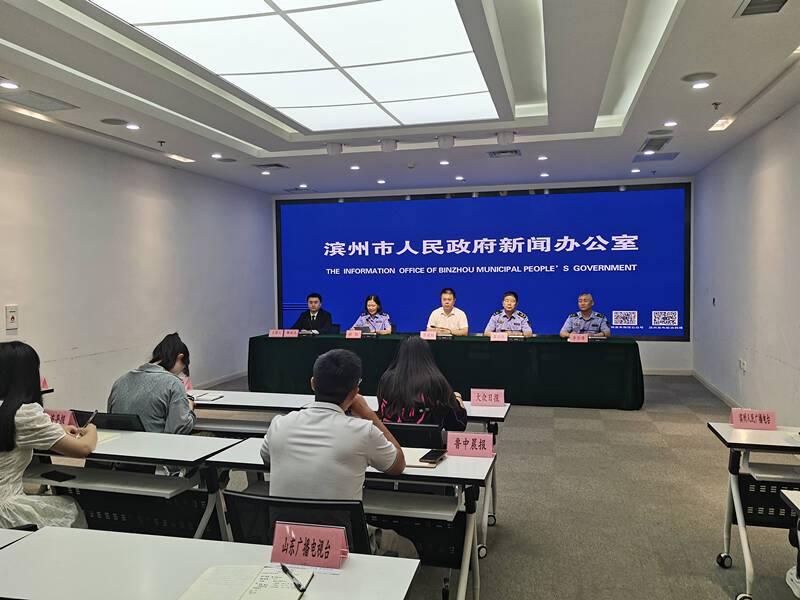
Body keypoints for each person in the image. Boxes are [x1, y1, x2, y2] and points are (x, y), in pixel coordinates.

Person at [260, 349, 417, 558]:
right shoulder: (363, 432)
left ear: (313, 383)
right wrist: (368, 414)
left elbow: (267, 458)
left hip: (286, 543)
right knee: (407, 548)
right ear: (355, 392)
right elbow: (398, 464)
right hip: (339, 548)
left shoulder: (279, 424)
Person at [0, 341, 98, 528]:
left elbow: (13, 431)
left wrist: (56, 429)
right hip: (6, 510)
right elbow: (83, 448)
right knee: (70, 509)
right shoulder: (23, 414)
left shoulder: (12, 415)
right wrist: (92, 428)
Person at [107, 332, 196, 433]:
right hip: (155, 442)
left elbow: (111, 419)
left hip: (120, 442)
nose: (179, 373)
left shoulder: (120, 381)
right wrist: (190, 408)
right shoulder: (173, 383)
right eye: (182, 368)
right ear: (180, 357)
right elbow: (179, 429)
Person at [376, 336, 467, 431]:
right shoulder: (436, 381)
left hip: (391, 439)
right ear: (427, 355)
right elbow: (457, 425)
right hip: (429, 440)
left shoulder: (386, 380)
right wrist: (458, 399)